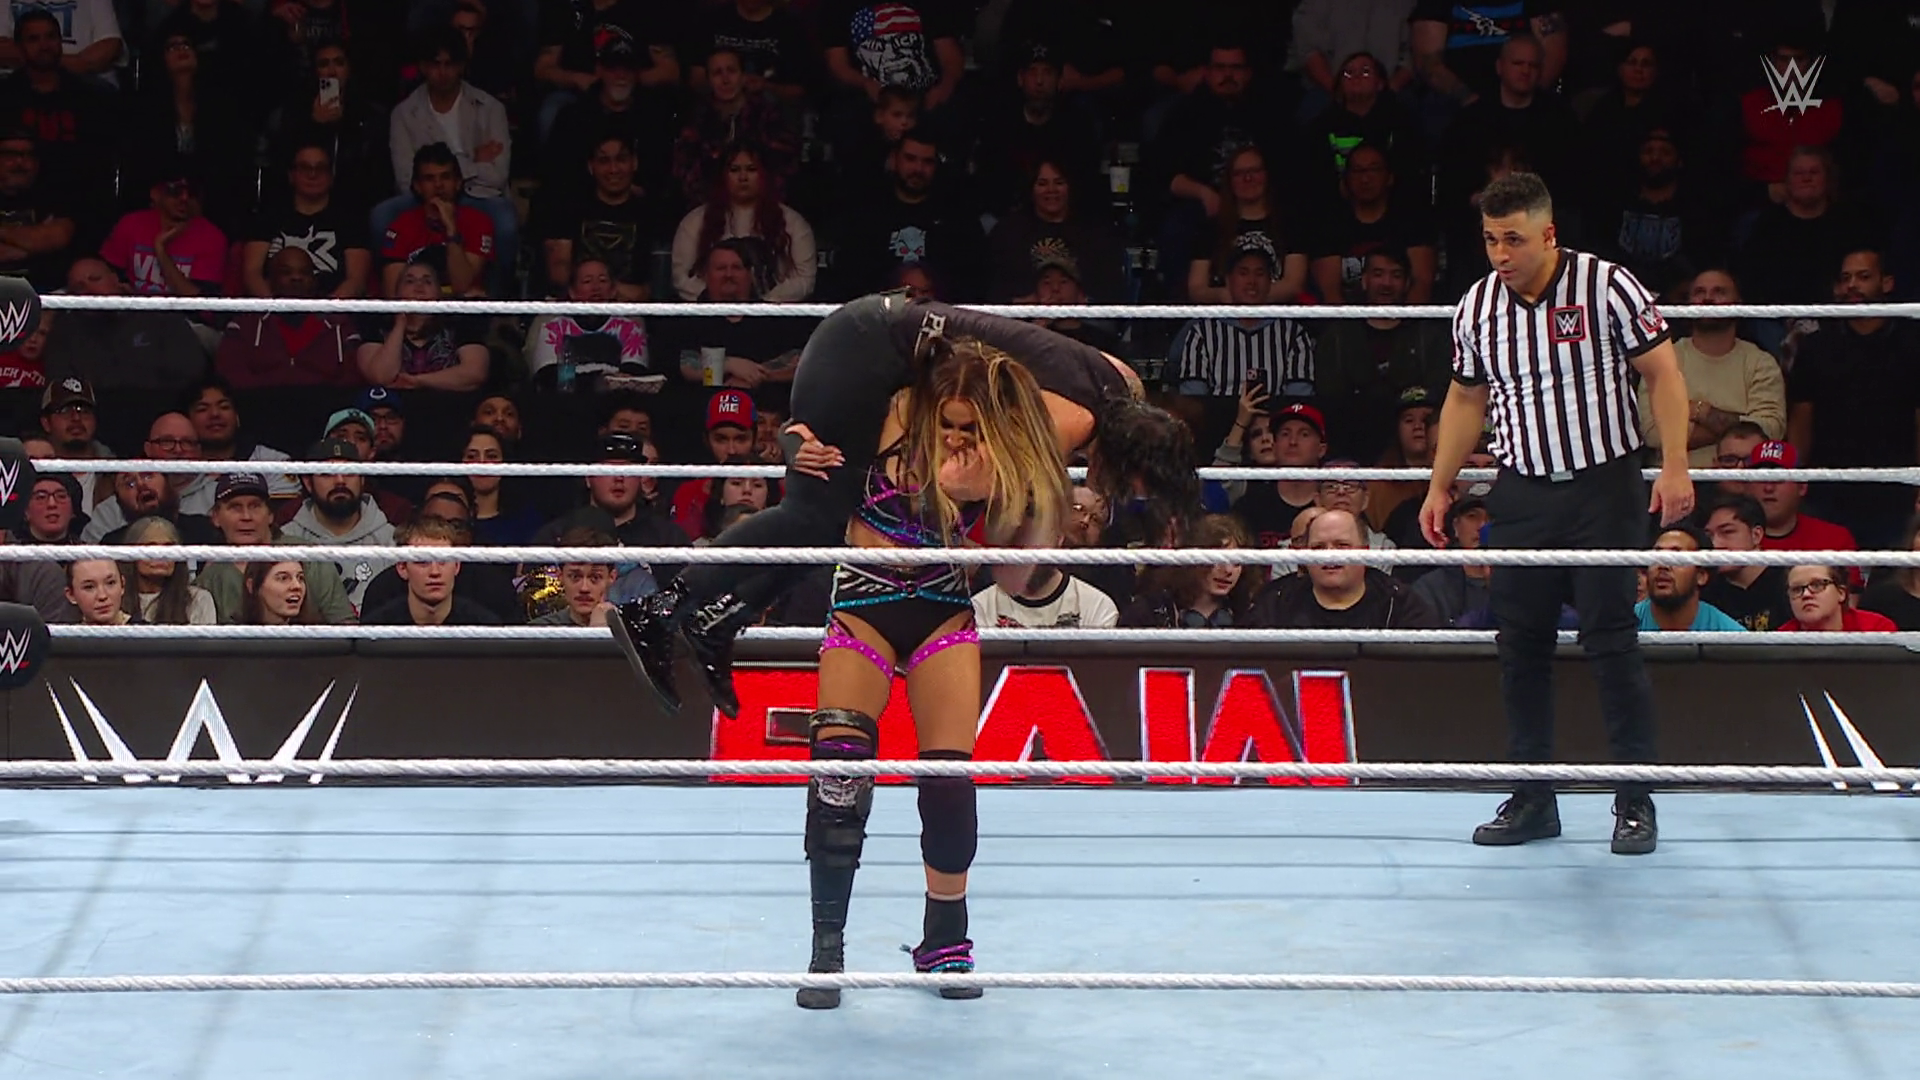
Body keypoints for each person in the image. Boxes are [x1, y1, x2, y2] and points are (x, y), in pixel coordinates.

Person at [613, 292, 1198, 717]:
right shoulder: (1062, 425)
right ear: (1131, 458)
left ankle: (717, 622)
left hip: (879, 340)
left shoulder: (1121, 386)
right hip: (864, 349)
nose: (1126, 493)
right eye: (1137, 483)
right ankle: (659, 609)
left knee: (826, 521)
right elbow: (958, 480)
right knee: (812, 513)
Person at [1418, 171, 1693, 857]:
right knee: (1521, 646)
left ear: (1547, 233)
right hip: (1521, 493)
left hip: (1605, 487)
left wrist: (1676, 464)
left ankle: (1634, 800)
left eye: (1513, 239)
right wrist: (1439, 486)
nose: (1500, 254)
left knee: (1611, 639)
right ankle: (1533, 797)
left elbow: (1664, 373)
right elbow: (1465, 399)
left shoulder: (1607, 286)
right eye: (1490, 240)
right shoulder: (1477, 305)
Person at [795, 338, 1069, 1011]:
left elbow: (1017, 578)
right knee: (839, 768)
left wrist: (1018, 497)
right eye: (947, 422)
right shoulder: (884, 413)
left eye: (971, 428)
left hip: (942, 606)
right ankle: (827, 946)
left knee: (949, 780)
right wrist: (790, 446)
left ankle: (946, 939)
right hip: (862, 602)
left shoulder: (998, 457)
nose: (955, 437)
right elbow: (805, 425)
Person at [1635, 524, 1745, 632]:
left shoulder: (1730, 633)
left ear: (1701, 576)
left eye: (1677, 558)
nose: (1663, 566)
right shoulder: (1627, 622)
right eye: (1656, 557)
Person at [117, 516, 217, 626]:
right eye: (151, 548)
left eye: (168, 548)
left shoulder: (198, 600)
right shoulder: (114, 600)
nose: (161, 555)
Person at [1777, 565, 1897, 633]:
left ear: (1841, 593)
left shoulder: (1876, 629)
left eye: (1817, 585)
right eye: (1796, 589)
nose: (1806, 594)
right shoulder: (1780, 640)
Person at [237, 560, 321, 626]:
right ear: (251, 585)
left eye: (300, 578)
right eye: (283, 578)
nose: (297, 586)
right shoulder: (233, 634)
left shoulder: (318, 635)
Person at [66, 559, 134, 626]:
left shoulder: (140, 629)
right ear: (71, 594)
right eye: (89, 587)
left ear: (122, 585)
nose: (102, 596)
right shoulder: (66, 632)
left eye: (110, 582)